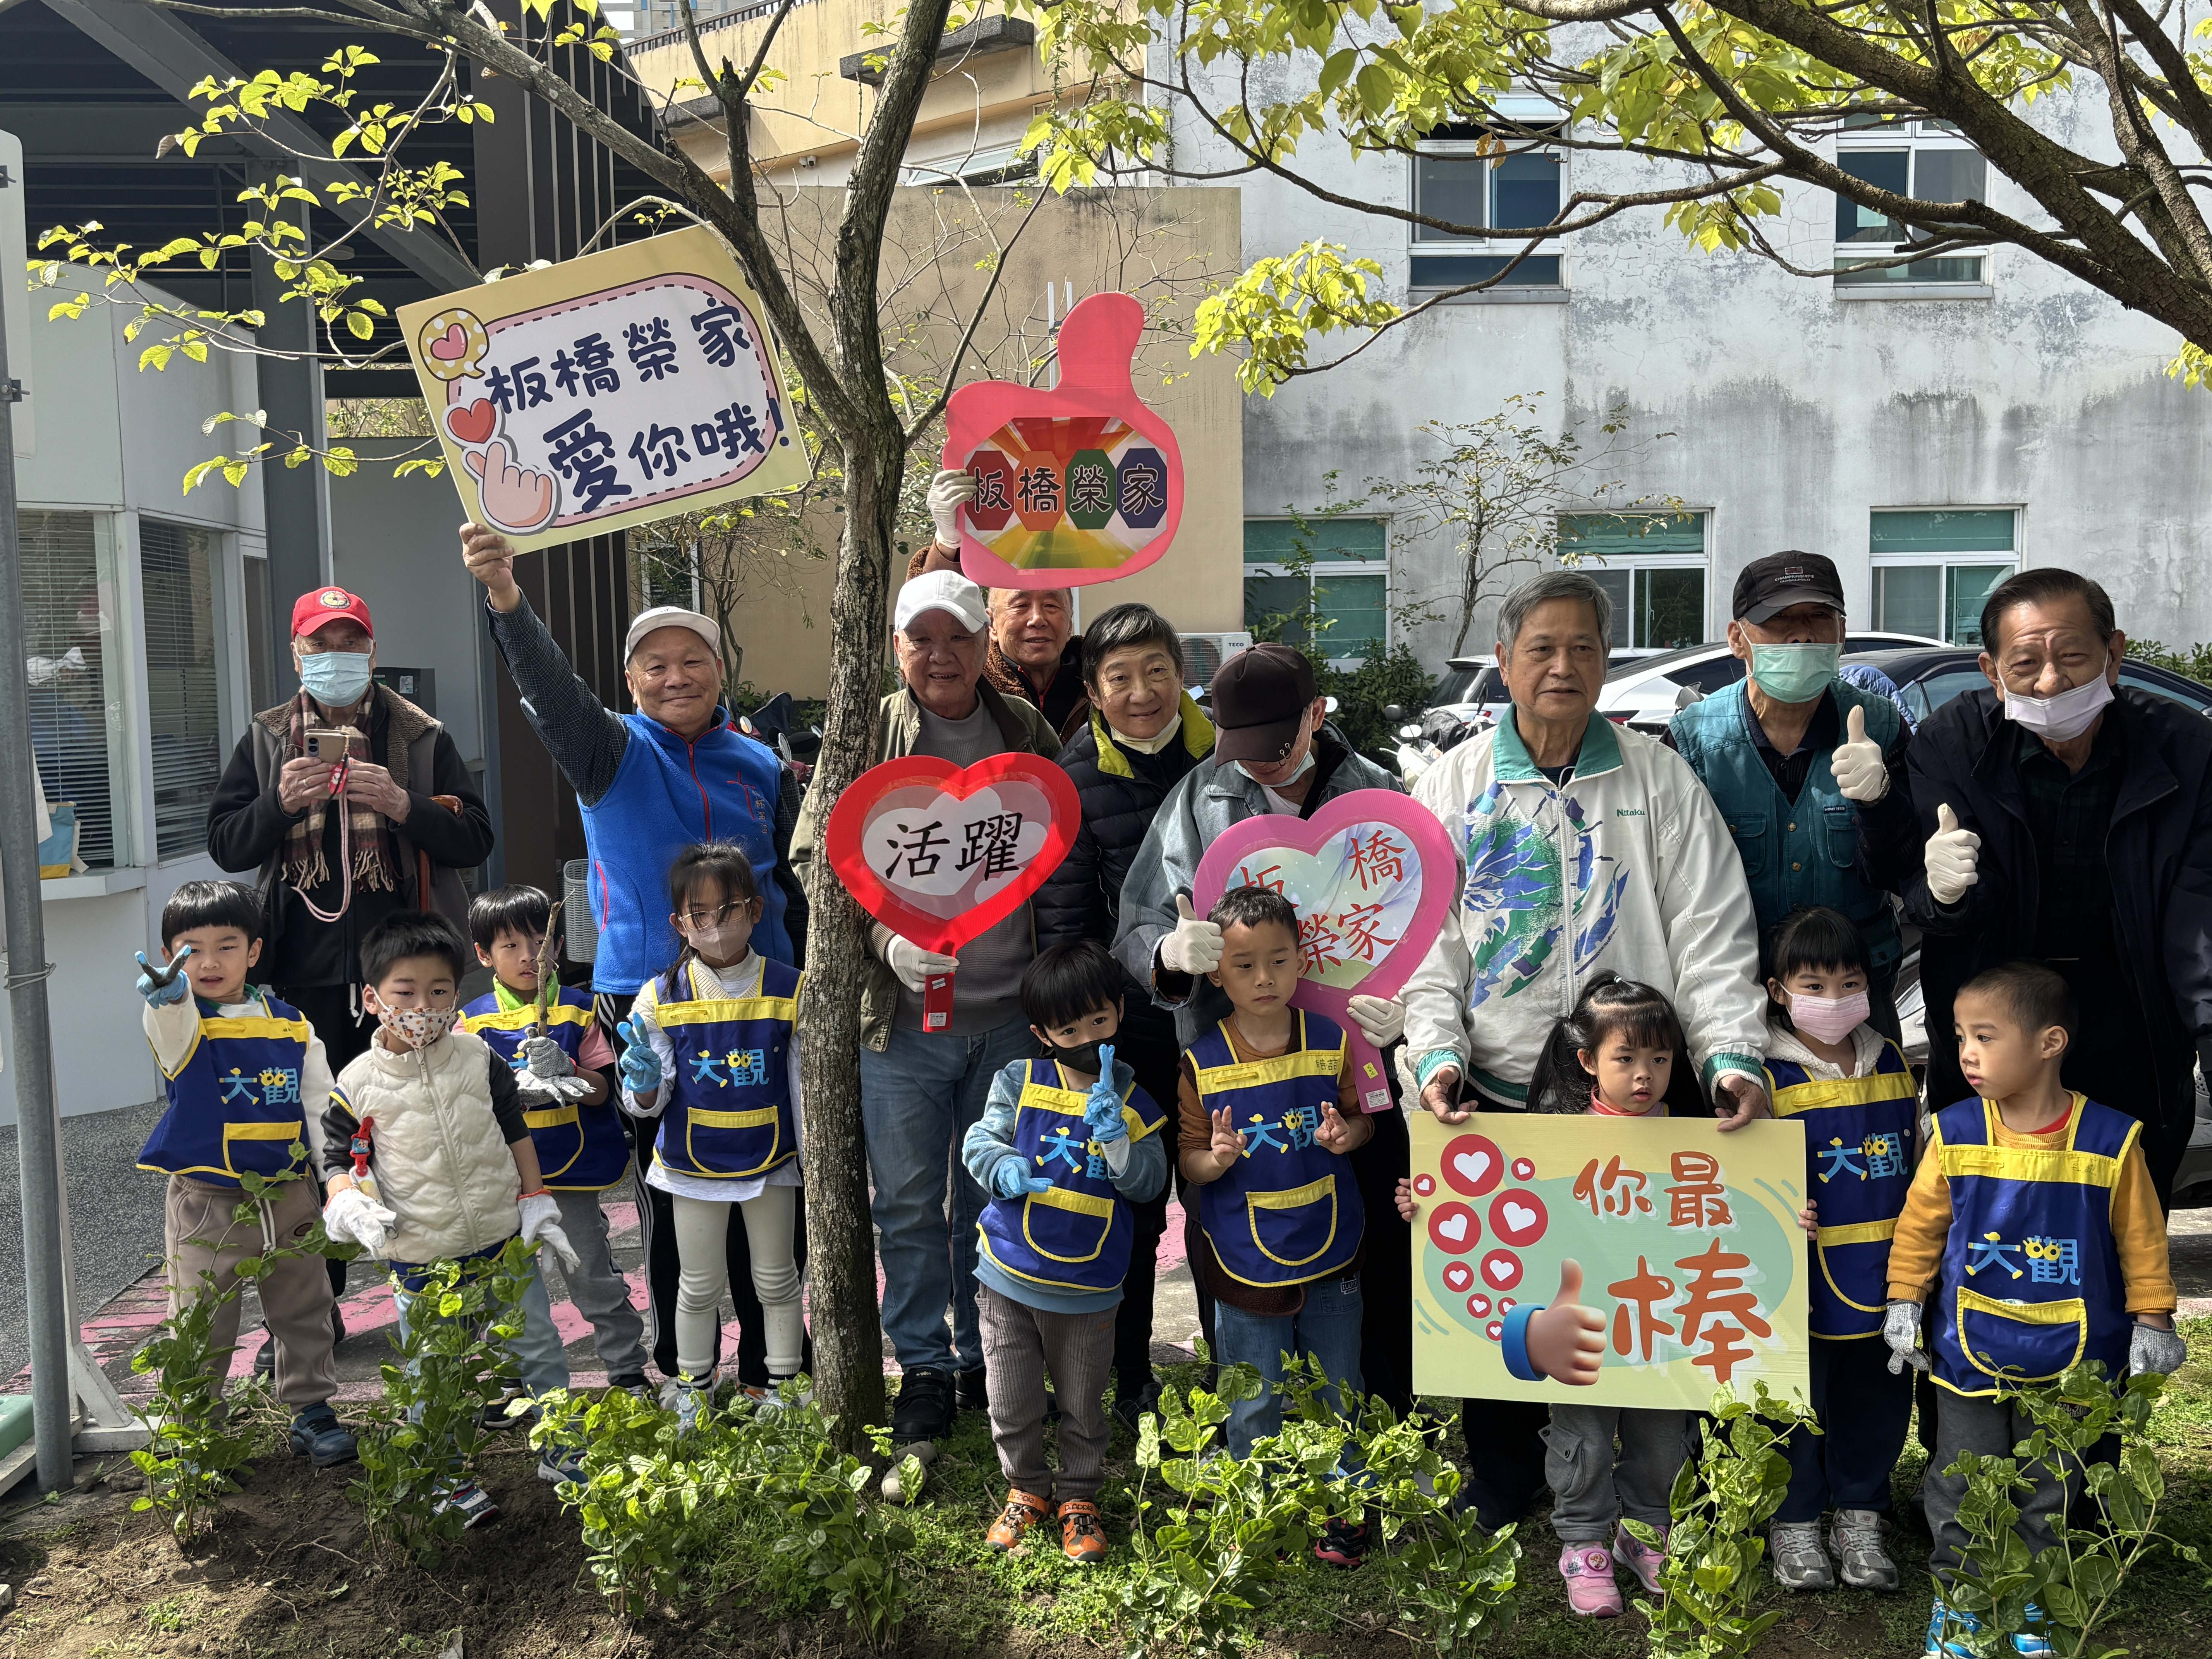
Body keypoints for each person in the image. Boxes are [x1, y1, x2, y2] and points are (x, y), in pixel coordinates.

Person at [1401, 569, 1771, 1533]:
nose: (1562, 667)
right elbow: (1428, 946)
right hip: (1499, 1086)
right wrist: (1436, 1054)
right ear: (1503, 660)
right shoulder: (1452, 786)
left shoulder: (1657, 778)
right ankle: (1505, 1474)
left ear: (1608, 663)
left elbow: (1711, 930)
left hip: (1633, 1091)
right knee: (1513, 1287)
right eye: (1542, 649)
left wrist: (1730, 1054)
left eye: (1583, 649)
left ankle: (1651, 1486)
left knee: (1638, 1286)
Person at [460, 522, 808, 1396]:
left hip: (763, 996)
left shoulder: (760, 763)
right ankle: (686, 1370)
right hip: (648, 1000)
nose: (675, 676)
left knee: (772, 1175)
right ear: (630, 682)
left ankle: (773, 1371)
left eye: (692, 660)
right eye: (655, 665)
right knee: (674, 1185)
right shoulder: (609, 749)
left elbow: (790, 883)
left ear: (720, 671)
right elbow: (551, 687)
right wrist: (505, 596)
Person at [789, 570, 1061, 1467]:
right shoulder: (868, 732)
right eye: (922, 639)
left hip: (1011, 1022)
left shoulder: (1024, 730)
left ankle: (991, 1356)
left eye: (958, 637)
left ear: (985, 642)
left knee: (991, 1195)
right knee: (907, 1205)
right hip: (900, 1027)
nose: (940, 656)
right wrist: (884, 938)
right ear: (897, 646)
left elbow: (1058, 847)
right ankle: (925, 1369)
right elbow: (813, 856)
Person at [1111, 641, 1413, 1413]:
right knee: (1232, 1228)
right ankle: (1249, 1411)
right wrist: (1170, 955)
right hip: (1236, 1071)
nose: (1258, 764)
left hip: (1352, 1059)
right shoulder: (1200, 798)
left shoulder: (1378, 794)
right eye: (1240, 746)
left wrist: (1413, 1005)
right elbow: (1139, 921)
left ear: (1317, 715)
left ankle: (1374, 1411)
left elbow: (1429, 917)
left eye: (1275, 745)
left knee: (1370, 1226)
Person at [207, 582, 495, 1360]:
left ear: (372, 651)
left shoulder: (420, 735)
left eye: (350, 643)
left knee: (420, 1126)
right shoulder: (268, 738)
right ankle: (315, 1314)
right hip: (302, 970)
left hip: (406, 971)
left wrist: (403, 804)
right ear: (296, 653)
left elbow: (475, 837)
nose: (336, 657)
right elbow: (227, 844)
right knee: (313, 1142)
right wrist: (277, 805)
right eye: (320, 645)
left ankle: (444, 1303)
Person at [1882, 962, 2185, 1659]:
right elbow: (1919, 1228)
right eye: (1960, 1035)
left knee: (2050, 1485)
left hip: (2074, 1356)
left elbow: (2141, 1238)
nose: (1966, 1053)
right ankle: (1961, 1606)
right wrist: (1904, 1300)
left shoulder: (2111, 1139)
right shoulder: (1954, 1130)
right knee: (1960, 1478)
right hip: (1969, 1347)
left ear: (2050, 1042)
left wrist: (2153, 1318)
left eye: (1984, 1036)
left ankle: (2030, 1603)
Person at [1905, 566, 2212, 1203]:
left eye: (2072, 657)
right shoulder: (1951, 744)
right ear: (1992, 673)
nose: (2050, 682)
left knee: (2123, 1214)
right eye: (2025, 665)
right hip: (1996, 1023)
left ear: (2114, 654)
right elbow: (1919, 896)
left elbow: (2199, 914)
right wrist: (1944, 892)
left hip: (2133, 1014)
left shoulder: (2186, 749)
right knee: (1990, 1217)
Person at [317, 913, 585, 1527]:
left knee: (539, 1348)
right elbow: (336, 1158)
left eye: (439, 991)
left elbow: (514, 1129)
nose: (423, 1008)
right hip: (421, 1256)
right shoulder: (357, 1083)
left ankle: (562, 1449)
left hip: (501, 1239)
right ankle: (444, 1475)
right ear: (372, 998)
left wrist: (535, 1199)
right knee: (436, 1369)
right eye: (405, 992)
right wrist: (345, 1200)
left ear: (456, 994)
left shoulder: (477, 1057)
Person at [1035, 602, 1216, 1425]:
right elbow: (1066, 921)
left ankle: (1231, 1361)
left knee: (1222, 1191)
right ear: (1094, 690)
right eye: (1120, 678)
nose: (1142, 693)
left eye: (1157, 671)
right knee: (1134, 1207)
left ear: (1181, 674)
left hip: (1229, 1025)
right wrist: (1087, 1041)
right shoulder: (1075, 776)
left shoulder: (1223, 754)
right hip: (1131, 1026)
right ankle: (1131, 1373)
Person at [1177, 886, 1375, 1567]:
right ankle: (1253, 1503)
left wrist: (1348, 1134)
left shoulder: (1333, 1039)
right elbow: (1189, 1157)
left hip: (1330, 1239)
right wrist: (1214, 1159)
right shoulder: (1201, 1060)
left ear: (1302, 960)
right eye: (1244, 965)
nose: (1264, 978)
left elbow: (1365, 1118)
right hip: (1244, 1256)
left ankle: (1347, 1502)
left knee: (1341, 1385)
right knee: (1251, 1391)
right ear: (1216, 973)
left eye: (1279, 960)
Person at [132, 879, 354, 1467]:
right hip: (207, 1196)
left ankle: (311, 1410)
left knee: (305, 1304)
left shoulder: (291, 1024)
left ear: (254, 951)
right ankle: (196, 1429)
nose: (209, 963)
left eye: (227, 947)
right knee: (200, 1314)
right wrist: (167, 1000)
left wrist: (337, 1180)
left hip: (288, 1191)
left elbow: (321, 1106)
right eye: (192, 949)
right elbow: (172, 1036)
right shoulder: (183, 1018)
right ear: (169, 956)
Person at [962, 942, 1169, 1566]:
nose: (1087, 1038)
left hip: (1090, 1288)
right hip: (1007, 1275)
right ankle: (1025, 1488)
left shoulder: (1138, 1104)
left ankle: (1080, 1496)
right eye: (1069, 1030)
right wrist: (1002, 1167)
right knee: (1010, 1397)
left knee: (1084, 1402)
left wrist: (1119, 1143)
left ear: (1120, 1012)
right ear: (1042, 1035)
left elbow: (1150, 1184)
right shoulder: (1018, 1081)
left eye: (1099, 1021)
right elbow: (979, 1140)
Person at [1669, 553, 1918, 1034]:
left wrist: (1880, 802)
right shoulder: (1692, 741)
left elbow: (1905, 871)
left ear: (1841, 633)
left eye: (1818, 617)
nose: (1801, 636)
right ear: (1738, 638)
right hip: (1734, 1002)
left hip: (1855, 1001)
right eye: (1779, 619)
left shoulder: (1882, 727)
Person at [613, 845, 806, 1430]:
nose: (716, 926)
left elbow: (804, 1088)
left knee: (777, 1278)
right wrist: (643, 1082)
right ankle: (693, 1389)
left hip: (773, 1161)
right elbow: (647, 1104)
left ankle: (786, 1389)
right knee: (697, 1286)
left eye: (729, 910)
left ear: (755, 910)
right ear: (680, 923)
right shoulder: (659, 996)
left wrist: (813, 1162)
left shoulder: (792, 988)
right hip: (690, 1167)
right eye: (700, 915)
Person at [1757, 906, 1918, 1594]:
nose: (1834, 999)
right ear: (1778, 991)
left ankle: (1860, 1513)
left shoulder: (1894, 1062)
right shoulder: (1763, 1077)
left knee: (1878, 1395)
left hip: (1887, 1273)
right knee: (1797, 1399)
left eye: (1849, 983)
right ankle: (1793, 1519)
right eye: (1814, 986)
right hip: (1801, 1281)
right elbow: (1743, 1187)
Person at [459, 886, 649, 1396]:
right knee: (508, 1282)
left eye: (539, 943)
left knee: (590, 1273)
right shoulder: (471, 1022)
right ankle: (511, 1376)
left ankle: (627, 1369)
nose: (529, 957)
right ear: (483, 955)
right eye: (510, 946)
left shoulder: (580, 1010)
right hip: (505, 1182)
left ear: (558, 947)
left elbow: (605, 1091)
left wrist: (570, 1070)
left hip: (572, 1173)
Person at [909, 470, 1086, 731]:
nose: (1037, 619)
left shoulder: (1100, 680)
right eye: (1020, 606)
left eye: (1051, 605)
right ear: (990, 624)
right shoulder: (969, 680)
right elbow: (929, 620)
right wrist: (948, 542)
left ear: (1070, 622)